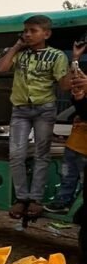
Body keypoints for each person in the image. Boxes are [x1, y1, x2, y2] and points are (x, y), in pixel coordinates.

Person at [0, 15, 71, 219]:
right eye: (25, 31)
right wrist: (16, 46)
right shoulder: (19, 53)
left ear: (46, 34)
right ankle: (21, 198)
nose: (27, 34)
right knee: (16, 154)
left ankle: (35, 199)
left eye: (33, 31)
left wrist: (73, 62)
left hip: (44, 109)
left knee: (41, 154)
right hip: (20, 109)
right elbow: (1, 68)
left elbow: (65, 86)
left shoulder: (56, 56)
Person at [46, 62, 87, 214]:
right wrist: (79, 97)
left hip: (84, 148)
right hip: (74, 144)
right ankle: (62, 202)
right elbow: (82, 111)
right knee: (68, 176)